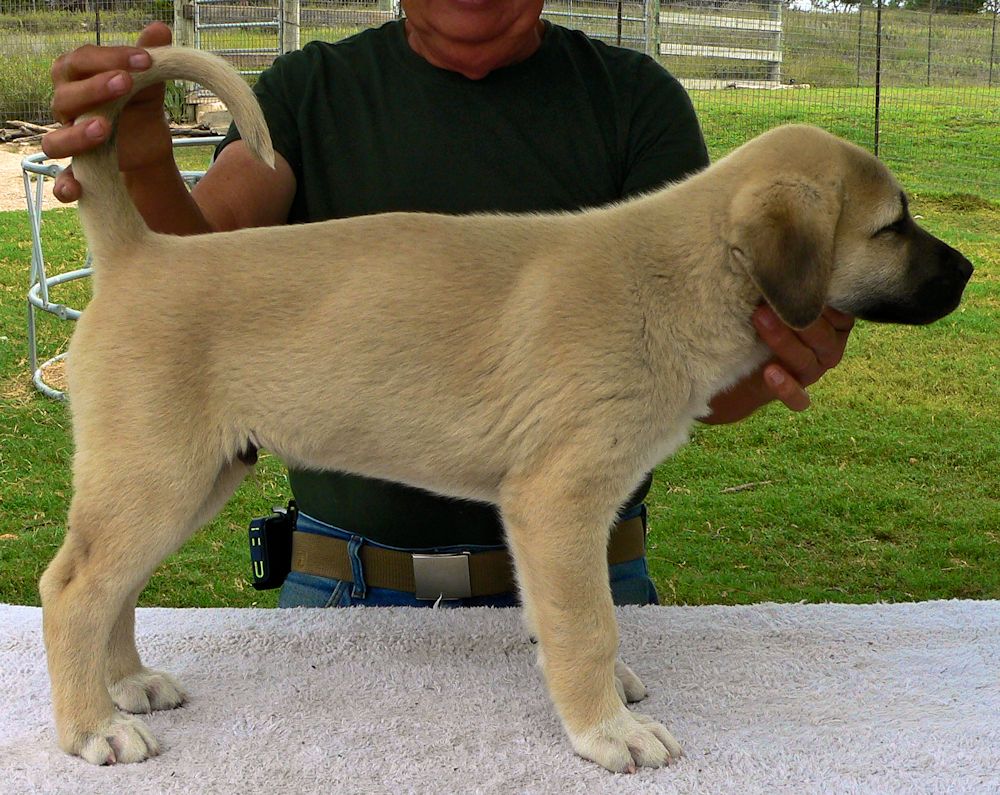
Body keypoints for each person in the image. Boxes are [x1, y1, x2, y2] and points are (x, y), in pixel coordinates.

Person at [44, 2, 855, 609]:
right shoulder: (313, 91)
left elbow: (699, 378)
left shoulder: (632, 101)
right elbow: (194, 280)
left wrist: (775, 353)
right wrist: (143, 161)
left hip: (588, 577)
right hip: (345, 587)